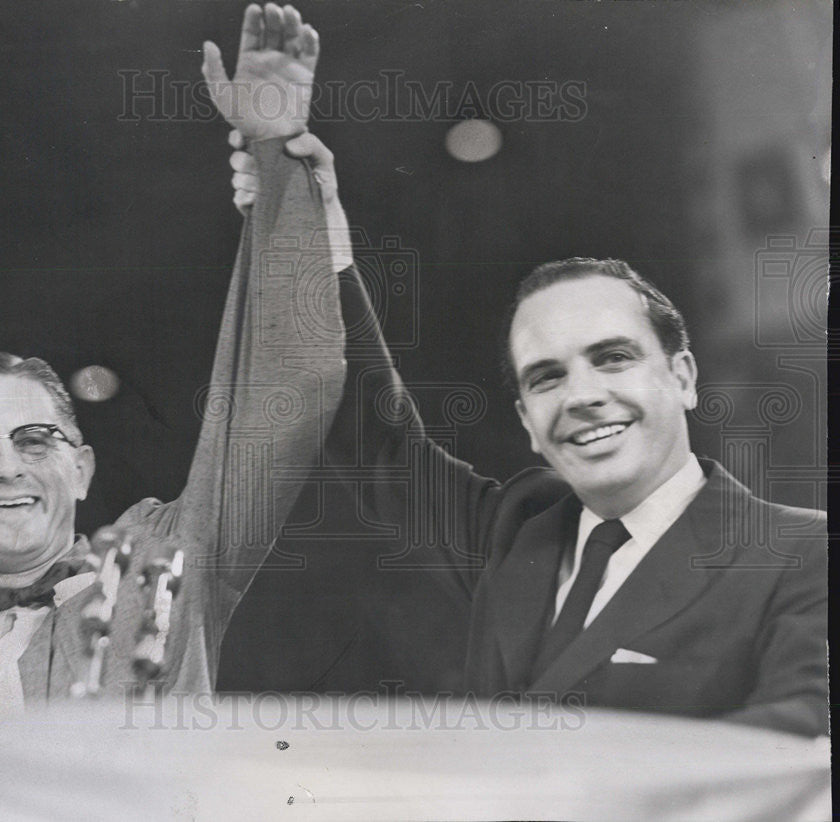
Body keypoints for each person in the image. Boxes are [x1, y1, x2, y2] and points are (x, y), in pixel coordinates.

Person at [230, 145, 828, 737]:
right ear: (527, 422)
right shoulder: (517, 527)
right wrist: (307, 225)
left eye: (613, 358)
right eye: (548, 377)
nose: (582, 395)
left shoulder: (803, 552)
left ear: (683, 377)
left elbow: (803, 731)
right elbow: (372, 436)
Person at [0, 3, 349, 713]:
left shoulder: (157, 575)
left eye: (34, 439)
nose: (7, 467)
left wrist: (277, 161)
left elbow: (280, 399)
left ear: (81, 467)